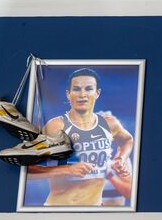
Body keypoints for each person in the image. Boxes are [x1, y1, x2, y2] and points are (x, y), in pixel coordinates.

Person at [27, 68, 134, 206]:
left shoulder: (109, 124)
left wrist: (121, 158)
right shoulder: (56, 126)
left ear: (97, 93)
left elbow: (127, 140)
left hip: (95, 209)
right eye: (76, 89)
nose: (82, 94)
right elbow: (28, 168)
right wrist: (67, 170)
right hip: (59, 210)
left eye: (88, 89)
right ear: (68, 94)